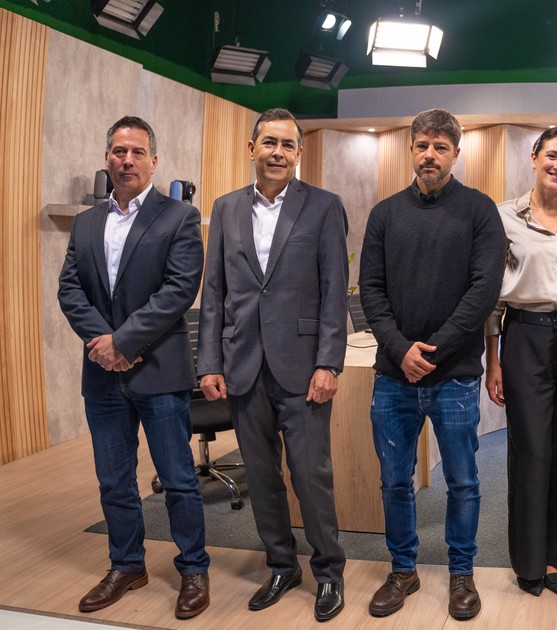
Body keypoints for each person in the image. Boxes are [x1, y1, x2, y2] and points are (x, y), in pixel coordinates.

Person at [196, 108, 349, 621]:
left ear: (299, 153)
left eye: (287, 144)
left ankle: (329, 572)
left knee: (310, 476)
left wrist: (329, 363)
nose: (277, 152)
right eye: (269, 142)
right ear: (252, 148)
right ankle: (282, 565)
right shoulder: (225, 209)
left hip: (303, 368)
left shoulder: (324, 207)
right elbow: (213, 293)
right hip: (243, 366)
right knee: (261, 477)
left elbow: (334, 292)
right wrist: (209, 362)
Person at [58, 115, 210, 620]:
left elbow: (179, 289)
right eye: (119, 152)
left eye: (137, 152)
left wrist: (123, 341)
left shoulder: (179, 217)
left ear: (154, 161)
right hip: (102, 375)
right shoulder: (86, 222)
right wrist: (104, 345)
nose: (127, 160)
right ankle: (126, 565)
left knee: (178, 478)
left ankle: (194, 568)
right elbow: (69, 290)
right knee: (114, 480)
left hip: (159, 371)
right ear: (107, 158)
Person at [359, 108, 506, 621]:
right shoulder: (384, 214)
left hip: (455, 377)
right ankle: (403, 570)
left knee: (462, 481)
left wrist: (432, 351)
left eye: (441, 147)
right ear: (411, 149)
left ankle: (461, 572)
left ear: (456, 154)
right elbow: (371, 290)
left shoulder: (480, 211)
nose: (430, 155)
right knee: (395, 481)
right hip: (392, 376)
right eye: (422, 145)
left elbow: (483, 290)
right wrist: (401, 349)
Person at [483, 127, 557, 597]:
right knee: (531, 448)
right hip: (525, 336)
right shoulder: (502, 216)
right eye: (552, 155)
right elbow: (493, 296)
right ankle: (531, 559)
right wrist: (493, 361)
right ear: (534, 158)